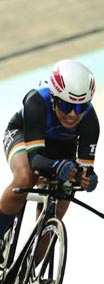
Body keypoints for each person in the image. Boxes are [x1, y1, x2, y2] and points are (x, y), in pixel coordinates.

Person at [1, 59, 99, 245]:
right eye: (66, 106)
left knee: (64, 193)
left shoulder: (90, 121)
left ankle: (29, 272)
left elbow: (85, 170)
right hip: (24, 135)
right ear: (53, 99)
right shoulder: (36, 102)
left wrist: (86, 179)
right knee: (26, 177)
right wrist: (55, 166)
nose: (72, 114)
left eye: (80, 107)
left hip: (61, 147)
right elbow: (36, 159)